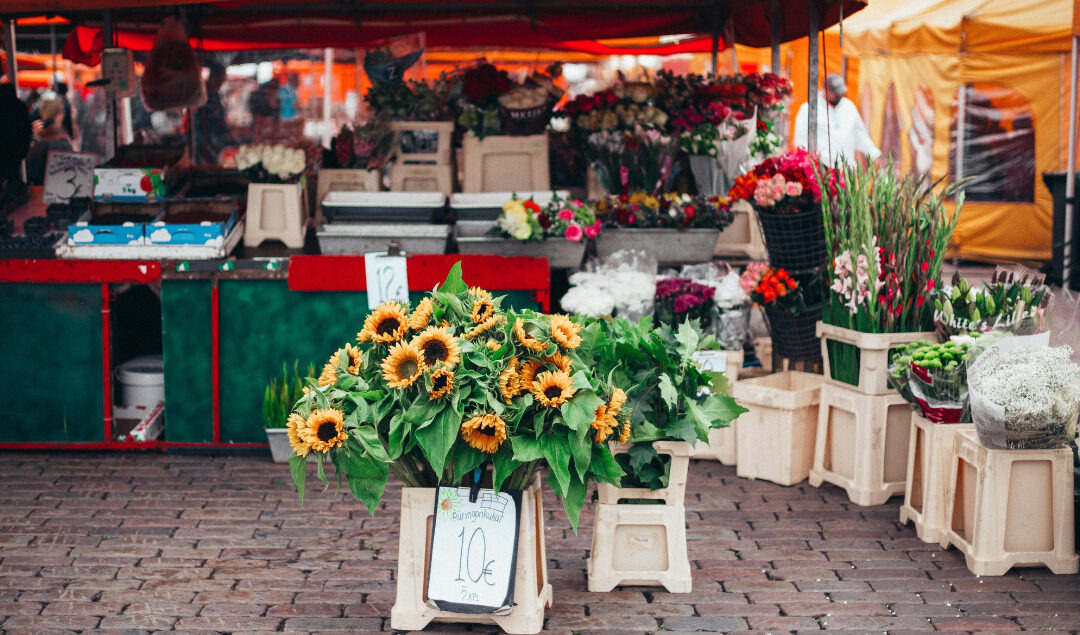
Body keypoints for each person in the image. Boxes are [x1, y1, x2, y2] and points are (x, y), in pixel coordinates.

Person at [793, 73, 881, 166]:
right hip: (821, 169)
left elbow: (860, 134)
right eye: (836, 93)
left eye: (841, 93)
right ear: (826, 89)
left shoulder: (848, 106)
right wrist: (812, 163)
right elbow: (800, 139)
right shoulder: (809, 108)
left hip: (847, 168)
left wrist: (874, 154)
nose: (839, 95)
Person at [26, 99, 74, 185]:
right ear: (62, 114)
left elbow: (29, 170)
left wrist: (33, 139)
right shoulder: (64, 139)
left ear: (42, 114)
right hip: (62, 188)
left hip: (40, 189)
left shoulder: (40, 141)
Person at [193, 61, 234, 164]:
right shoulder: (202, 94)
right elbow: (200, 119)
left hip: (214, 139)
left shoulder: (215, 95)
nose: (221, 84)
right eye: (220, 81)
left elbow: (219, 115)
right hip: (202, 140)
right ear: (214, 78)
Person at [0, 83, 32, 188]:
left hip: (4, 148)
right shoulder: (20, 106)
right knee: (13, 174)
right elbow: (27, 130)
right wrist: (24, 150)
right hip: (16, 149)